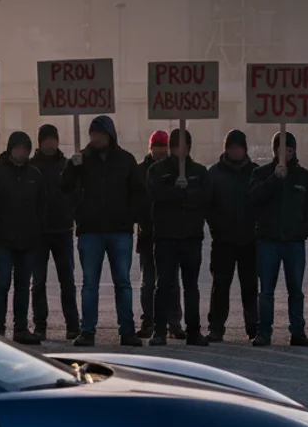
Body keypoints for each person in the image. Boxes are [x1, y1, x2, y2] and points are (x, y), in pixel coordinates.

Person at [60, 116, 144, 347]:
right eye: (93, 134)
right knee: (89, 284)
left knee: (123, 282)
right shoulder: (82, 159)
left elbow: (138, 191)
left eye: (100, 134)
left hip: (120, 230)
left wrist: (131, 217)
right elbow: (65, 186)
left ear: (110, 135)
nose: (95, 138)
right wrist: (72, 166)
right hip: (90, 230)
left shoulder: (126, 160)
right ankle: (87, 331)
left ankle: (127, 331)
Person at [249, 131, 308, 346]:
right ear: (274, 150)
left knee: (295, 290)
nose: (285, 154)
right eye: (281, 150)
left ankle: (297, 331)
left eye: (289, 150)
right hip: (268, 240)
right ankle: (263, 332)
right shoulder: (261, 173)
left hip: (294, 242)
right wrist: (274, 179)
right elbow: (254, 198)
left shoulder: (303, 176)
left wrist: (304, 231)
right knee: (266, 291)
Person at [147, 128, 211, 347]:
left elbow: (204, 197)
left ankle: (194, 331)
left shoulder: (199, 171)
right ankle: (159, 331)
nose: (179, 150)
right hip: (166, 237)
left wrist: (185, 194)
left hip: (191, 236)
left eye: (183, 146)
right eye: (175, 146)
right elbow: (156, 194)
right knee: (163, 285)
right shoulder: (157, 170)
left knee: (191, 287)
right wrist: (178, 190)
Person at [0, 131, 46, 343]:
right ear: (10, 149)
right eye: (18, 148)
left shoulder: (34, 175)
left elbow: (42, 204)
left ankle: (20, 329)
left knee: (22, 286)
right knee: (1, 285)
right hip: (2, 240)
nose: (22, 152)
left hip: (27, 241)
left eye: (25, 149)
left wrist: (36, 227)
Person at [205, 129, 259, 343]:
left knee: (250, 286)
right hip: (223, 240)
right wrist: (216, 227)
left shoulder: (255, 172)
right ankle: (216, 327)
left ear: (244, 149)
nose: (235, 151)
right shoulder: (214, 173)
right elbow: (207, 205)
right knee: (220, 285)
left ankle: (253, 327)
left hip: (249, 239)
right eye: (232, 147)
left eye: (239, 147)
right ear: (226, 149)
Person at [30, 124, 79, 341]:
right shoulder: (32, 167)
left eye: (53, 139)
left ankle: (73, 324)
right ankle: (40, 325)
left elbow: (77, 192)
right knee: (38, 281)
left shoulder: (67, 165)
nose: (50, 143)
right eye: (46, 140)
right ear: (40, 142)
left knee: (67, 280)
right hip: (39, 232)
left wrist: (71, 212)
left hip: (63, 229)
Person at [136, 131, 184, 339]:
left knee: (171, 281)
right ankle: (149, 321)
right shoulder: (140, 171)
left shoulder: (176, 170)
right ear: (151, 148)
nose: (159, 151)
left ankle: (174, 323)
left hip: (170, 232)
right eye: (156, 146)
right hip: (148, 234)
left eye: (163, 147)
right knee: (148, 282)